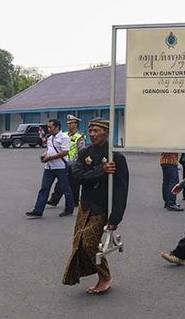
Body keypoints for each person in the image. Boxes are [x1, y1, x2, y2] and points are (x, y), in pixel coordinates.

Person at [62, 118, 129, 294]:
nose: (92, 134)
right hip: (85, 206)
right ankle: (90, 273)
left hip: (102, 207)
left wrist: (116, 217)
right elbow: (76, 176)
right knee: (79, 243)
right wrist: (101, 171)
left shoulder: (117, 157)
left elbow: (122, 189)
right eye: (90, 131)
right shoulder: (84, 153)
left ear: (106, 132)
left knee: (90, 243)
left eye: (96, 131)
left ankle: (105, 276)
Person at [25, 119, 75, 218]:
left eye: (50, 127)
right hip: (49, 167)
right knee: (44, 188)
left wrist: (50, 157)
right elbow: (49, 150)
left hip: (61, 167)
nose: (48, 129)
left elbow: (65, 152)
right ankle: (38, 210)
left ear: (57, 127)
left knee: (65, 188)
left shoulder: (64, 137)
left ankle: (69, 209)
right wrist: (45, 155)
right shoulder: (50, 138)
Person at [47, 114, 86, 215]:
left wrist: (76, 162)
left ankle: (74, 201)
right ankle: (54, 200)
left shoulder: (79, 136)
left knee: (74, 183)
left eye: (71, 123)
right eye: (68, 123)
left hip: (74, 162)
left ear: (76, 124)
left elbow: (80, 151)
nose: (69, 125)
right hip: (64, 162)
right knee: (61, 182)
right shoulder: (64, 134)